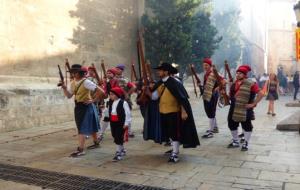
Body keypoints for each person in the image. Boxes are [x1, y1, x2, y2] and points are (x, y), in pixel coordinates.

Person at [148, 62, 200, 163]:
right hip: (163, 112)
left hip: (174, 112)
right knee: (169, 133)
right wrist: (147, 91)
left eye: (160, 70)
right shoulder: (160, 83)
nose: (158, 72)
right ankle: (174, 149)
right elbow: (155, 97)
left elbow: (182, 99)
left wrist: (184, 112)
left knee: (175, 133)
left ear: (166, 72)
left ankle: (175, 154)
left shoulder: (175, 83)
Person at [60, 64, 105, 157]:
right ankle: (96, 143)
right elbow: (69, 96)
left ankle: (80, 149)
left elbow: (101, 91)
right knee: (90, 125)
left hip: (86, 107)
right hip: (79, 107)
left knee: (82, 128)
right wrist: (64, 88)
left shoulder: (86, 82)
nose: (73, 74)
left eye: (75, 72)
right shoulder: (72, 82)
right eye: (72, 72)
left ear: (79, 73)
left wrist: (93, 100)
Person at [227, 65, 264, 151]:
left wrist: (253, 104)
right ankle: (235, 141)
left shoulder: (251, 84)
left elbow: (261, 93)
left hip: (245, 108)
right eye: (237, 73)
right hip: (233, 107)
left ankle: (246, 143)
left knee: (247, 126)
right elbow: (231, 96)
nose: (238, 74)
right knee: (231, 124)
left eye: (240, 73)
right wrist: (226, 96)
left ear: (245, 74)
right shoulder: (234, 83)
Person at [200, 58, 222, 138]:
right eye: (204, 65)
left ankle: (211, 131)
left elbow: (224, 81)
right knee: (210, 112)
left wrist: (218, 88)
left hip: (213, 95)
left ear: (210, 66)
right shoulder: (206, 74)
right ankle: (215, 128)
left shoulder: (215, 73)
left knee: (211, 112)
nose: (205, 67)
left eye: (206, 65)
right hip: (207, 95)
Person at [108, 87, 131, 162]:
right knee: (115, 135)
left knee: (118, 136)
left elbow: (127, 113)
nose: (110, 96)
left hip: (120, 123)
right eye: (110, 94)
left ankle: (118, 153)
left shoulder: (123, 102)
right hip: (113, 122)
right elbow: (110, 112)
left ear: (117, 95)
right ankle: (123, 149)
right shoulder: (111, 103)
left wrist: (126, 123)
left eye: (112, 94)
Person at [115, 64, 137, 138]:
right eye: (116, 69)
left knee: (127, 115)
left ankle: (129, 132)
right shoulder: (112, 79)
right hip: (115, 100)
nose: (117, 70)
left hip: (124, 99)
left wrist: (127, 94)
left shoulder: (125, 79)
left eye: (118, 69)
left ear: (122, 70)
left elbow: (133, 87)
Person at [99, 68, 119, 139]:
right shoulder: (107, 83)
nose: (108, 74)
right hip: (110, 102)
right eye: (107, 73)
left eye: (110, 73)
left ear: (113, 74)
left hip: (118, 102)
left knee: (118, 118)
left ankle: (122, 132)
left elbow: (116, 92)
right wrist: (103, 87)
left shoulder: (117, 81)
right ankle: (101, 134)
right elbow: (105, 95)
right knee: (106, 118)